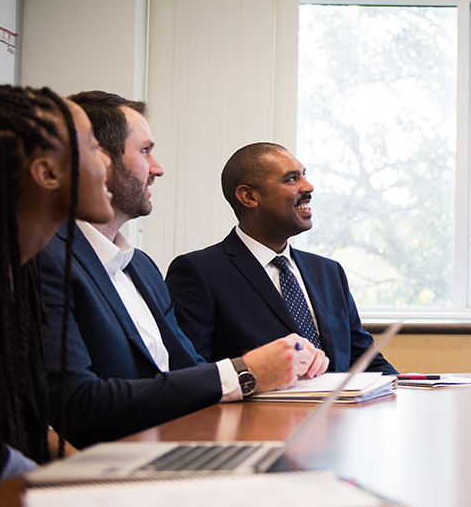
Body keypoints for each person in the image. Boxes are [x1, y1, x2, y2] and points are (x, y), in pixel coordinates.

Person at [37, 92, 327, 448]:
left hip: (181, 445)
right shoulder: (47, 260)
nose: (157, 168)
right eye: (144, 151)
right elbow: (78, 406)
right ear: (97, 160)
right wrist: (245, 371)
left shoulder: (141, 268)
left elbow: (187, 372)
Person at [0, 86, 113, 500]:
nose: (108, 163)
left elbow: (29, 428)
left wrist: (91, 471)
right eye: (94, 146)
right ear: (48, 174)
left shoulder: (20, 273)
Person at [165, 143, 397, 375]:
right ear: (249, 196)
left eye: (303, 175)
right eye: (291, 179)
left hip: (338, 411)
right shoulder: (198, 272)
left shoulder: (328, 271)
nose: (309, 187)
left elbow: (367, 362)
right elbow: (192, 375)